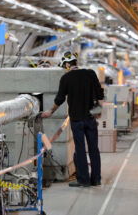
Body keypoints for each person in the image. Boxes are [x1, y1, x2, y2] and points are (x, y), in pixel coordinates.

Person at [41, 52, 104, 187]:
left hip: (77, 120)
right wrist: (99, 109)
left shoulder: (66, 78)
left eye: (65, 65)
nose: (65, 68)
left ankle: (84, 180)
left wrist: (50, 111)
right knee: (94, 149)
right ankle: (96, 179)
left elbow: (60, 99)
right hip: (90, 118)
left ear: (68, 64)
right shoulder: (90, 73)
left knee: (80, 150)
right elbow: (100, 93)